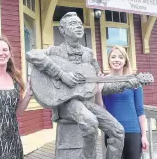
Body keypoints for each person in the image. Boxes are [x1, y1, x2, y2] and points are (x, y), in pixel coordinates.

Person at [26, 12, 140, 159]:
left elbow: (98, 84)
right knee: (90, 122)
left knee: (118, 132)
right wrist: (62, 75)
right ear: (62, 29)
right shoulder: (54, 51)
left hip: (87, 102)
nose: (79, 26)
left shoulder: (89, 54)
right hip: (66, 103)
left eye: (80, 24)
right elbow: (32, 54)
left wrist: (125, 84)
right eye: (73, 24)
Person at [97, 46, 149, 159]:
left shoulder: (134, 81)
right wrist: (98, 91)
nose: (117, 60)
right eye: (113, 57)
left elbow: (140, 110)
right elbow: (101, 110)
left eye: (120, 57)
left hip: (133, 131)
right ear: (109, 61)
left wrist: (144, 135)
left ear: (125, 61)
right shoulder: (103, 82)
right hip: (112, 132)